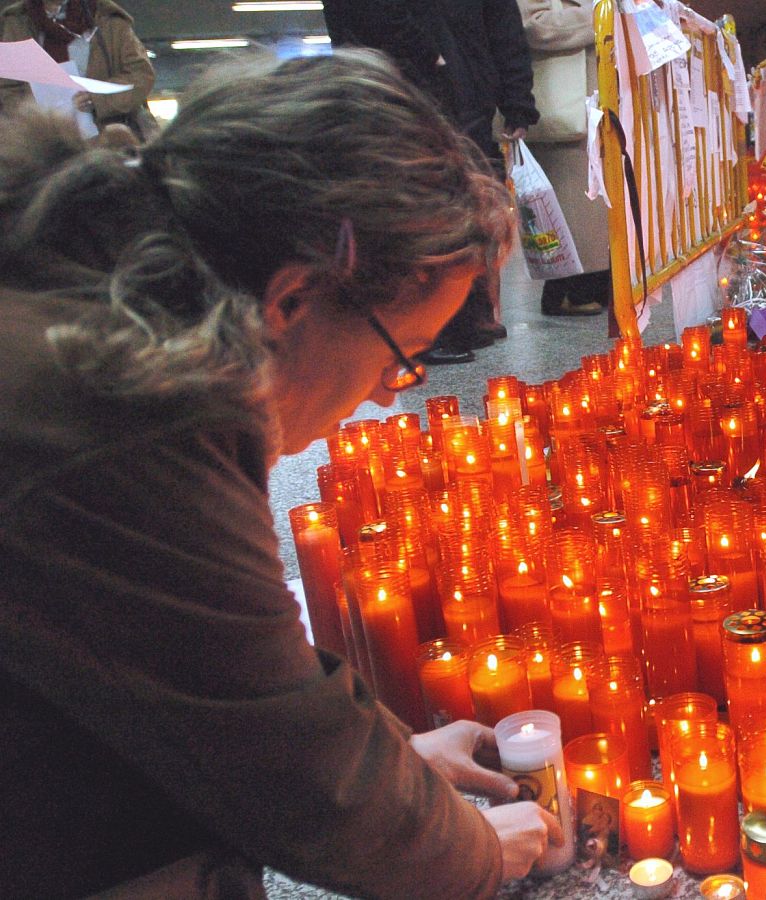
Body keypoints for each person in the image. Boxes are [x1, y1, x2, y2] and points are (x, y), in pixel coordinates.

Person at [0, 51, 561, 898]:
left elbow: (208, 671)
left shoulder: (92, 297)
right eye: (401, 358)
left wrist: (395, 759)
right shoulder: (121, 417)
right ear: (291, 298)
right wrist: (476, 854)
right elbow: (295, 771)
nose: (384, 395)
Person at [325, 0, 540, 364]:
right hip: (401, 89)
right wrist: (424, 52)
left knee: (468, 205)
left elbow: (502, 21)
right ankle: (425, 328)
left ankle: (463, 315)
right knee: (422, 209)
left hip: (462, 84)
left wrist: (517, 97)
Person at [518, 0, 611, 317]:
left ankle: (598, 281)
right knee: (572, 207)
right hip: (565, 103)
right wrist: (600, 17)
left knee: (597, 207)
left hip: (601, 100)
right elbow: (536, 25)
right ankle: (567, 290)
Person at [0, 0, 156, 136]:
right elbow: (9, 88)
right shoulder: (16, 22)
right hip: (44, 146)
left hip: (107, 143)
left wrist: (96, 99)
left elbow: (141, 76)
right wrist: (38, 113)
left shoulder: (108, 18)